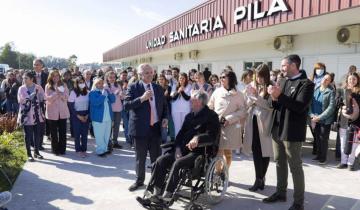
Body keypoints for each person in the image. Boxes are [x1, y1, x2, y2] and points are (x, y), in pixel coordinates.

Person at [136, 91, 220, 205]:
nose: (190, 101)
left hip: (199, 153)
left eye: (192, 99)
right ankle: (155, 193)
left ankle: (166, 197)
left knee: (178, 163)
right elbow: (180, 135)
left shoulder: (211, 116)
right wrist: (177, 149)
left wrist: (198, 138)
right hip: (182, 150)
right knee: (161, 161)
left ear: (200, 102)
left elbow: (212, 136)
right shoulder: (189, 116)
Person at [264, 54, 314, 210]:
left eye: (284, 65)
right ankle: (281, 192)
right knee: (279, 161)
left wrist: (279, 96)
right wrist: (273, 96)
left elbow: (299, 107)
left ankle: (299, 202)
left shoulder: (306, 84)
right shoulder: (283, 80)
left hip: (292, 130)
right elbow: (276, 104)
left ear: (294, 65)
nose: (282, 68)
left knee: (295, 166)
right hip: (277, 127)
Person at [124, 63, 168, 192]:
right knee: (140, 158)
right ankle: (139, 181)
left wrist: (165, 118)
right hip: (140, 129)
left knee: (156, 158)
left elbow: (164, 106)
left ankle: (156, 181)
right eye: (146, 72)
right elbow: (126, 105)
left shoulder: (158, 88)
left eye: (151, 72)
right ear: (140, 75)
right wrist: (142, 99)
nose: (150, 75)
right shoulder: (133, 87)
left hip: (155, 128)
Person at [208, 70, 246, 173]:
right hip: (217, 126)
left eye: (223, 77)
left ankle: (224, 172)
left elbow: (243, 111)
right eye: (220, 77)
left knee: (228, 153)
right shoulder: (217, 91)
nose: (221, 79)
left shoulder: (239, 94)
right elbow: (210, 106)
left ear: (231, 79)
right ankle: (217, 173)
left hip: (231, 127)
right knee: (218, 152)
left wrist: (229, 118)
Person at [243, 64, 274, 192]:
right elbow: (247, 104)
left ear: (266, 76)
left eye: (261, 77)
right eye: (257, 76)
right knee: (256, 151)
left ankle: (261, 178)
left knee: (265, 152)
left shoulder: (271, 87)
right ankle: (258, 179)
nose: (259, 79)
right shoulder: (252, 86)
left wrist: (257, 98)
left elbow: (270, 106)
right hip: (253, 122)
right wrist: (251, 97)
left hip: (265, 124)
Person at [17, 71, 45, 161]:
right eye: (23, 78)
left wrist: (41, 99)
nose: (24, 80)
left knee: (37, 135)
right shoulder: (21, 88)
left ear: (32, 79)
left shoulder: (38, 87)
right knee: (28, 135)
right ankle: (29, 154)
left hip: (37, 114)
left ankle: (36, 152)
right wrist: (29, 98)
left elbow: (43, 98)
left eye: (26, 78)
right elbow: (20, 100)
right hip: (27, 115)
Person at [309, 73, 335, 165]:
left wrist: (319, 117)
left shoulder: (330, 92)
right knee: (317, 138)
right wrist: (311, 115)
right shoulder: (315, 90)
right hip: (315, 118)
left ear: (330, 82)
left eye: (327, 79)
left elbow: (331, 108)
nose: (324, 80)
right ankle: (318, 155)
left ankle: (323, 158)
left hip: (324, 120)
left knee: (323, 139)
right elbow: (310, 104)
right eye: (324, 78)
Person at [337, 72, 360, 171]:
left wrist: (353, 97)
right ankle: (343, 162)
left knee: (354, 143)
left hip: (356, 121)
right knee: (343, 142)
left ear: (357, 80)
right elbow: (337, 103)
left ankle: (351, 163)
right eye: (350, 79)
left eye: (354, 79)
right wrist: (342, 101)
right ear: (347, 80)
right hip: (344, 120)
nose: (352, 81)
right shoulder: (341, 90)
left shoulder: (359, 92)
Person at [45, 70, 70, 155]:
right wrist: (56, 93)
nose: (56, 77)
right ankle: (55, 150)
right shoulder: (48, 86)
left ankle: (62, 149)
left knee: (63, 132)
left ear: (59, 76)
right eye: (53, 76)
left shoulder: (64, 85)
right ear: (51, 77)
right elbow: (48, 99)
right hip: (52, 112)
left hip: (62, 112)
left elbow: (67, 97)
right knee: (54, 133)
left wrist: (62, 94)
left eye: (57, 76)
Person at [89, 77, 115, 157]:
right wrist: (103, 95)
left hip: (108, 117)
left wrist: (109, 91)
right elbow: (96, 103)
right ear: (95, 84)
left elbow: (113, 100)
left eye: (102, 83)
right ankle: (100, 150)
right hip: (98, 118)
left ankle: (105, 149)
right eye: (99, 83)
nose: (101, 85)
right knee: (99, 135)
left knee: (107, 135)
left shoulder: (105, 91)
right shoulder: (92, 93)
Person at [68, 76, 90, 158]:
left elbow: (90, 105)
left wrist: (87, 115)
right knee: (77, 134)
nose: (82, 84)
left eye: (83, 82)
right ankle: (78, 150)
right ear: (76, 84)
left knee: (84, 134)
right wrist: (78, 116)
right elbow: (70, 106)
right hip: (76, 115)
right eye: (79, 82)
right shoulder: (73, 93)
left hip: (86, 114)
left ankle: (84, 150)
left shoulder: (88, 92)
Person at [104, 71, 123, 149]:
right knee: (109, 126)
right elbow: (107, 96)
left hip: (118, 108)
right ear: (107, 78)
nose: (112, 79)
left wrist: (122, 94)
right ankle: (108, 142)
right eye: (110, 77)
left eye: (114, 77)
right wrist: (115, 93)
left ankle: (115, 141)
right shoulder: (105, 86)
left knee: (117, 126)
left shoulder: (118, 85)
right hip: (110, 109)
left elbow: (121, 97)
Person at [33, 58, 49, 150]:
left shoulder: (46, 76)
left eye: (38, 64)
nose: (36, 66)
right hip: (32, 102)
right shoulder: (29, 75)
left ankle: (39, 143)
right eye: (34, 64)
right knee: (32, 122)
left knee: (42, 122)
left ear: (42, 66)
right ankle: (32, 143)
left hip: (43, 102)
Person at [170, 73, 192, 137]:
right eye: (180, 78)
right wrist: (178, 91)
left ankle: (184, 141)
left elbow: (187, 98)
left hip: (185, 109)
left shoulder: (189, 86)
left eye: (183, 78)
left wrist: (182, 91)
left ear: (186, 79)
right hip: (176, 110)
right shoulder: (174, 86)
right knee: (177, 127)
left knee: (185, 126)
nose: (181, 79)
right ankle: (177, 141)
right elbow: (173, 98)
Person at [157, 74, 172, 143]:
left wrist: (167, 95)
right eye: (159, 79)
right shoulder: (155, 87)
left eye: (162, 79)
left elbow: (171, 98)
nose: (161, 81)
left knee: (164, 126)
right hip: (158, 109)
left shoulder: (168, 88)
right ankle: (159, 139)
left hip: (166, 109)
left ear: (165, 80)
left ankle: (164, 141)